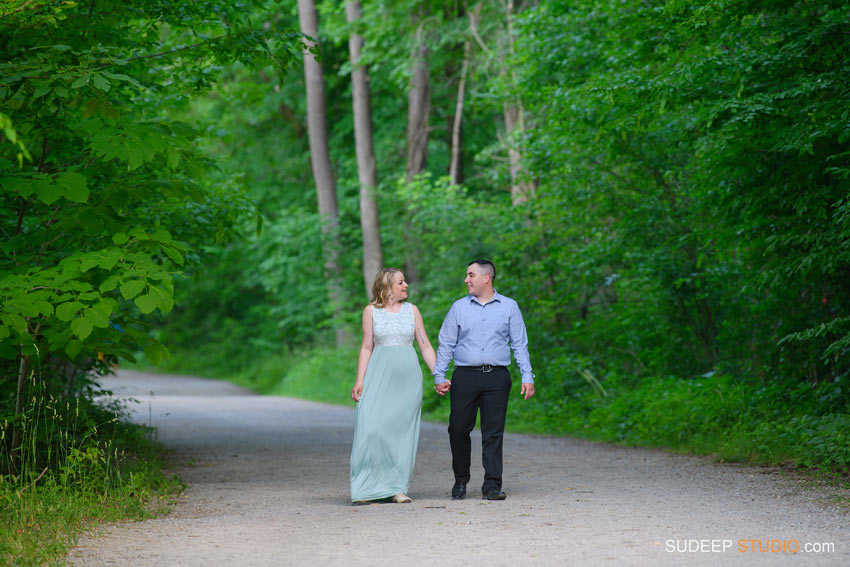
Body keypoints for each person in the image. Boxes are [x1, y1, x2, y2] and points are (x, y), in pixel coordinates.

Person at [433, 259, 535, 501]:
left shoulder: (509, 307)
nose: (466, 280)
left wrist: (527, 375)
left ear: (486, 278)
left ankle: (492, 485)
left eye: (470, 275)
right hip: (465, 376)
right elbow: (446, 343)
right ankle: (461, 479)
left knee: (493, 432)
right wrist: (440, 374)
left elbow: (520, 344)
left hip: (497, 377)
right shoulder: (458, 307)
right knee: (457, 429)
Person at [350, 268, 436, 504]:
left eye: (405, 281)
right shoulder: (371, 312)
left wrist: (438, 375)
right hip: (378, 376)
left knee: (400, 434)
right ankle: (365, 489)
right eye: (401, 282)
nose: (406, 284)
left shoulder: (413, 311)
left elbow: (425, 345)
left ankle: (397, 488)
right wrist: (360, 379)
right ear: (387, 288)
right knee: (371, 429)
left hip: (407, 380)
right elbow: (367, 346)